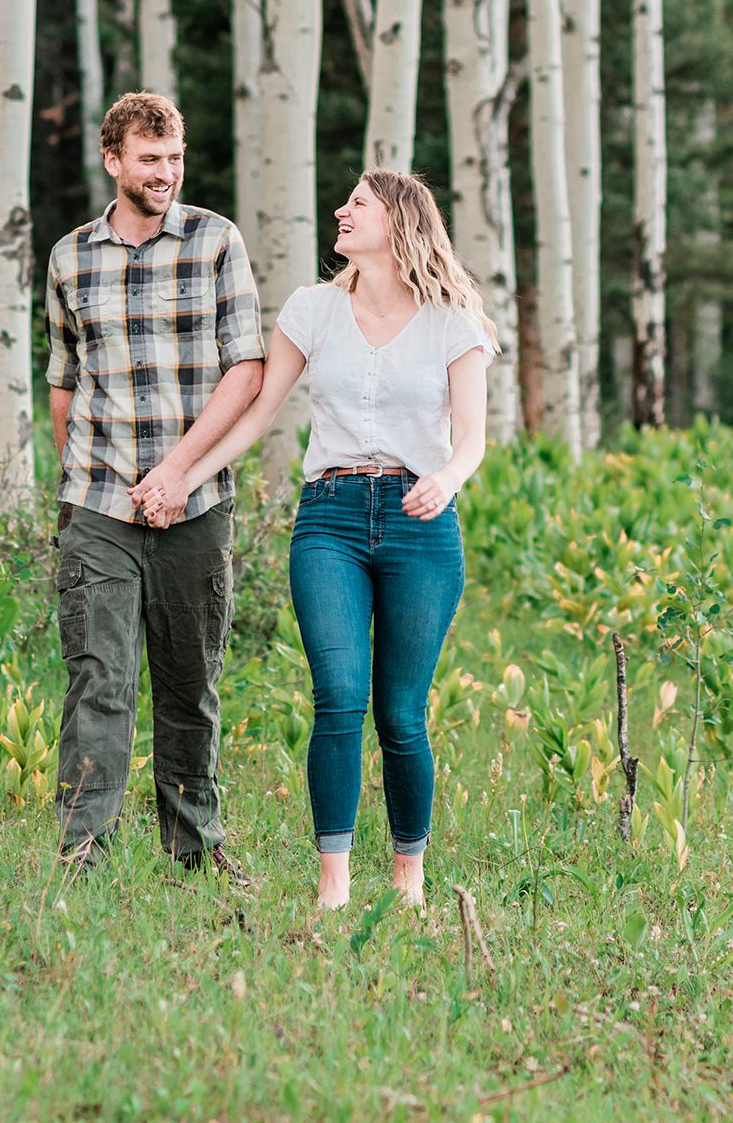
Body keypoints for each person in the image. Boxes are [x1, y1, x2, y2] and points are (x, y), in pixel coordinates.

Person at [135, 170, 493, 910]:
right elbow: (259, 413)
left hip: (420, 523)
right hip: (328, 517)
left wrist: (448, 478)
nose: (341, 210)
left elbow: (473, 439)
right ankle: (333, 886)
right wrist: (182, 478)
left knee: (400, 712)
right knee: (337, 697)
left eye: (358, 203)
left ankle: (408, 881)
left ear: (399, 220)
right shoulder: (312, 309)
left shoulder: (454, 318)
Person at [44, 92, 265, 879]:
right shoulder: (70, 257)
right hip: (98, 506)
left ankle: (194, 849)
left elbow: (246, 370)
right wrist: (74, 483)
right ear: (113, 162)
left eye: (174, 158)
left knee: (188, 682)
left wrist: (176, 473)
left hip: (195, 504)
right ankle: (82, 852)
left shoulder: (214, 242)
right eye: (150, 159)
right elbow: (64, 381)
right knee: (99, 680)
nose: (165, 172)